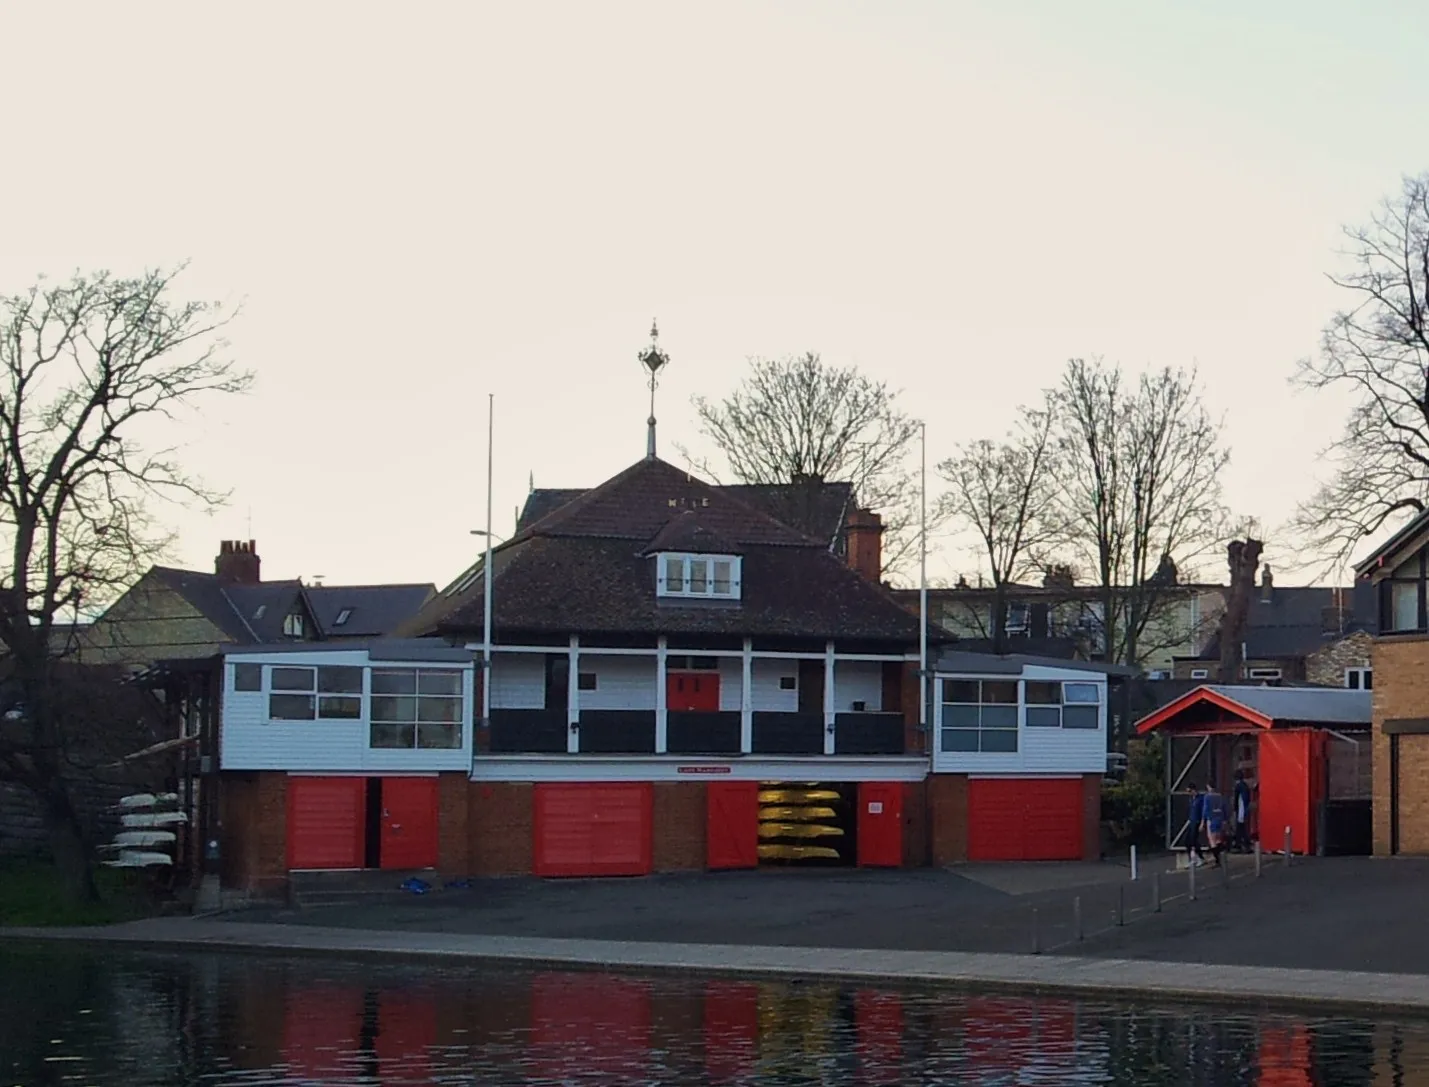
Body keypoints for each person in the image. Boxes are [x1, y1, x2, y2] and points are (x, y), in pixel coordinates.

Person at [1203, 782, 1229, 867]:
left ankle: (1217, 859)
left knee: (1212, 840)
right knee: (1218, 839)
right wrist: (1225, 820)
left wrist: (1203, 821)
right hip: (1220, 819)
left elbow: (1205, 810)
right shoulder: (1220, 796)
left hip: (1211, 819)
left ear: (1208, 786)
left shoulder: (1207, 797)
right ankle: (1221, 854)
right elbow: (1225, 808)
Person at [1232, 771, 1252, 853]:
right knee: (1242, 828)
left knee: (1240, 827)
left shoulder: (1238, 787)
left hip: (1241, 810)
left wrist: (1235, 810)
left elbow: (1237, 800)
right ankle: (1243, 844)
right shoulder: (1245, 786)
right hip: (1245, 809)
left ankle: (1240, 844)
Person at [1185, 782, 1205, 866]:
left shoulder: (1200, 799)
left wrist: (1202, 823)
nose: (1189, 793)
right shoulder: (1191, 799)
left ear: (1193, 790)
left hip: (1197, 821)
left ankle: (1200, 857)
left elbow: (1203, 811)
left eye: (1190, 791)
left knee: (1194, 840)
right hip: (1191, 820)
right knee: (1187, 841)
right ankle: (1192, 858)